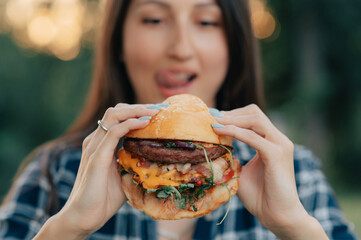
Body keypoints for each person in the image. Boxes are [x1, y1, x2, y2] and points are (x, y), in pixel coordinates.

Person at [0, 0, 357, 239]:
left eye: (206, 21)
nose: (181, 48)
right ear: (119, 42)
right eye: (154, 19)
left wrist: (296, 228)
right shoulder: (55, 175)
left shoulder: (296, 176)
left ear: (234, 45)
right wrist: (68, 228)